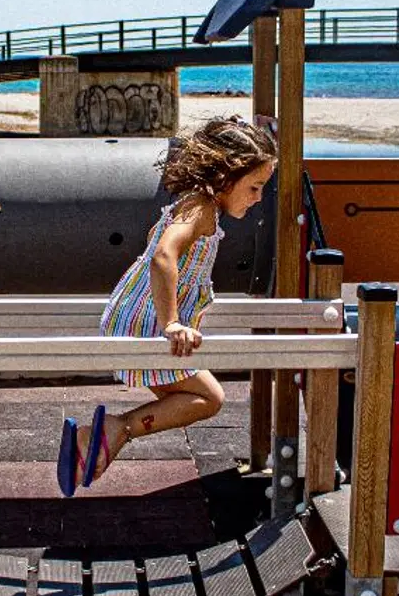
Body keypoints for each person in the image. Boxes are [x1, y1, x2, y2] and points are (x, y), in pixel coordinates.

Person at [56, 116, 279, 495]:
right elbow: (162, 255)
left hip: (135, 318)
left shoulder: (193, 206)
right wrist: (172, 322)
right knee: (209, 398)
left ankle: (102, 439)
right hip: (145, 325)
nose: (258, 198)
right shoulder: (200, 209)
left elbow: (153, 243)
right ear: (225, 177)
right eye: (254, 187)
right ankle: (115, 429)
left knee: (187, 400)